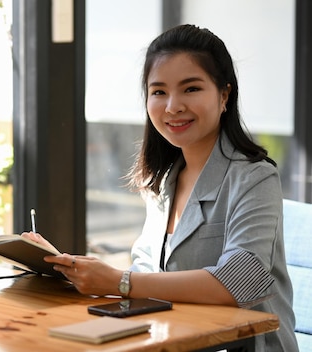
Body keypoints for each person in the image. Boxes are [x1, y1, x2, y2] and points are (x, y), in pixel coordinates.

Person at [22, 24, 298, 351]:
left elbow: (237, 283)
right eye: (159, 92)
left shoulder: (254, 177)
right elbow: (146, 273)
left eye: (191, 89)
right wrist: (74, 270)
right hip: (177, 340)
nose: (172, 107)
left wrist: (119, 281)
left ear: (224, 95)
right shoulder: (163, 180)